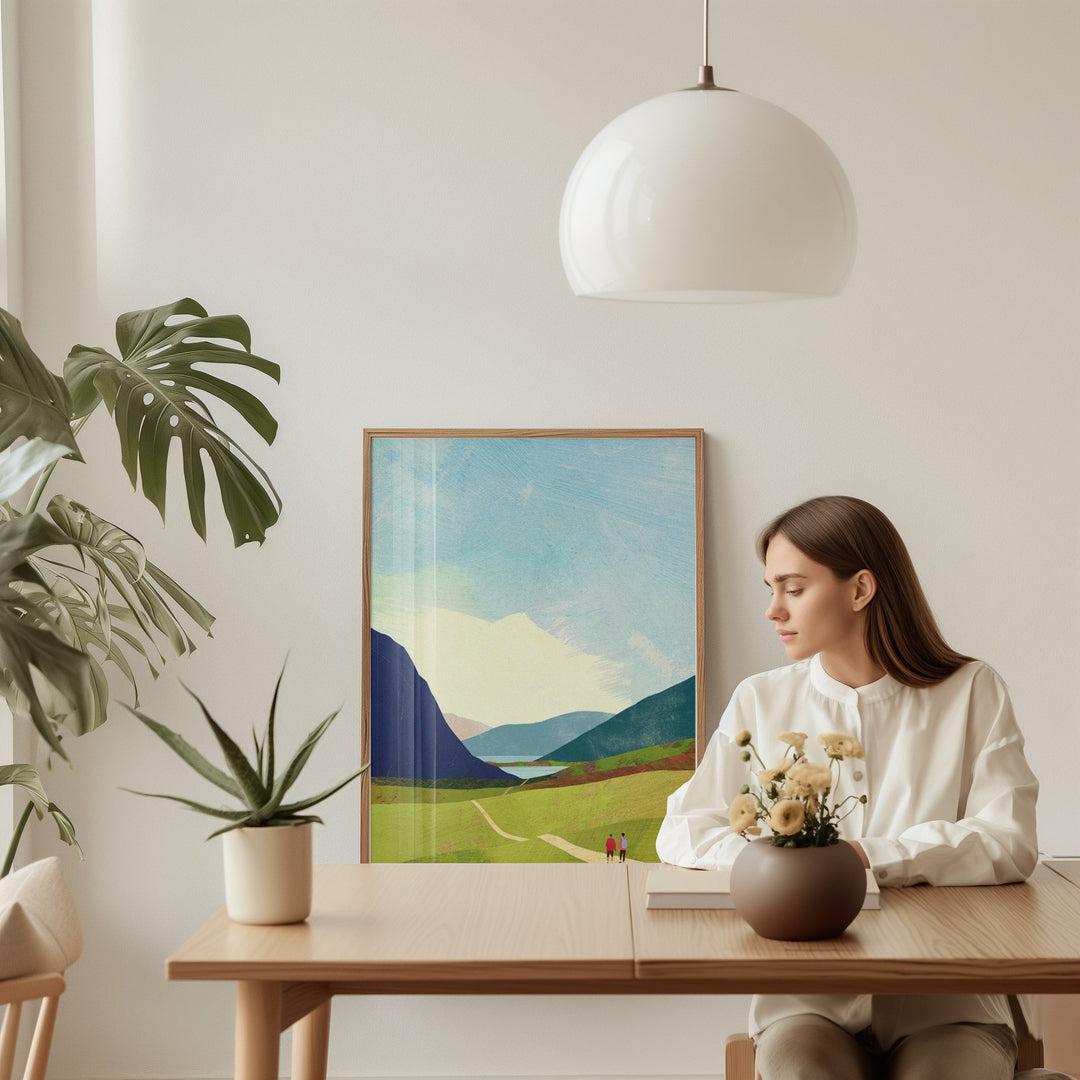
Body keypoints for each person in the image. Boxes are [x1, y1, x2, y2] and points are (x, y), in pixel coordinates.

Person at [656, 495, 1043, 1080]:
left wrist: (866, 857)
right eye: (771, 588)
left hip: (950, 1003)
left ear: (860, 589)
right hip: (804, 1005)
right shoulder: (761, 699)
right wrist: (786, 865)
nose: (772, 610)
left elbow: (1008, 840)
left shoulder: (970, 691)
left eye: (793, 588)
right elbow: (685, 827)